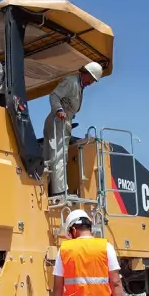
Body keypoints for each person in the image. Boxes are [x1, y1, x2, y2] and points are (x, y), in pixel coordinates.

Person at [42, 61, 103, 197]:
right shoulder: (71, 82)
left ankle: (48, 188)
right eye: (91, 79)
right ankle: (60, 191)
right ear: (86, 73)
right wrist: (59, 110)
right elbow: (54, 95)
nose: (91, 83)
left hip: (63, 121)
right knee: (59, 155)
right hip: (58, 120)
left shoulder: (79, 86)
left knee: (52, 155)